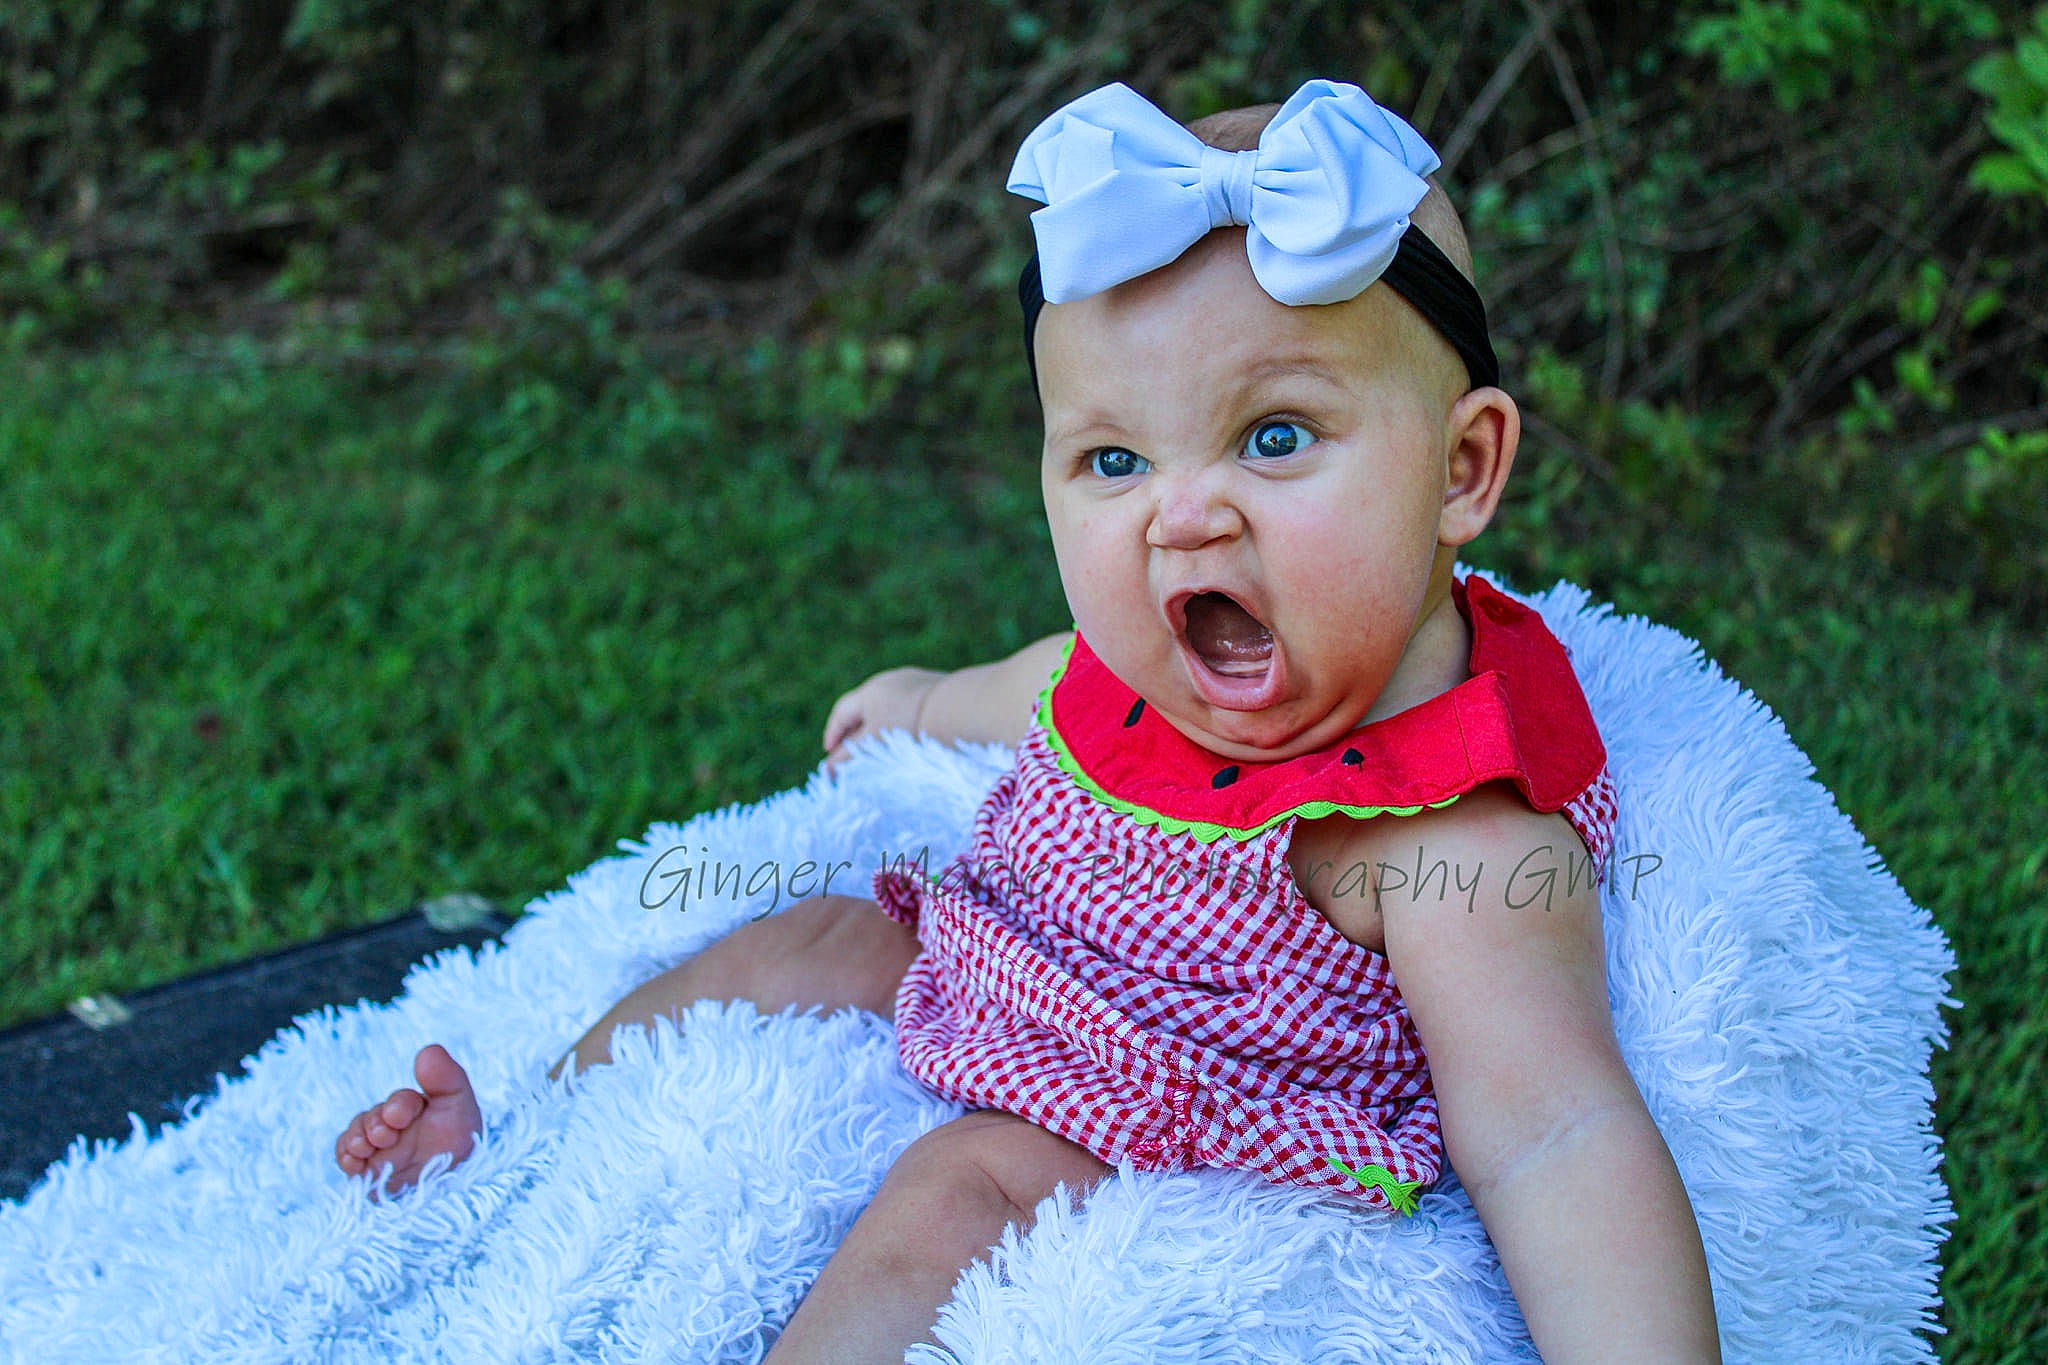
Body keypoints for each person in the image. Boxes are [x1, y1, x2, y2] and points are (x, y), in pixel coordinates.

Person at [334, 78, 1721, 1361]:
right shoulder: (1155, 645)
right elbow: (1050, 678)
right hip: (995, 961)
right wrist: (921, 704)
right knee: (795, 935)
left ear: (1464, 468)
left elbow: (1555, 1129)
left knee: (955, 1185)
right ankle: (515, 1142)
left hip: (1179, 1107)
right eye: (1115, 459)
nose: (1185, 514)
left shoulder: (1444, 814)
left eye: (1277, 435)